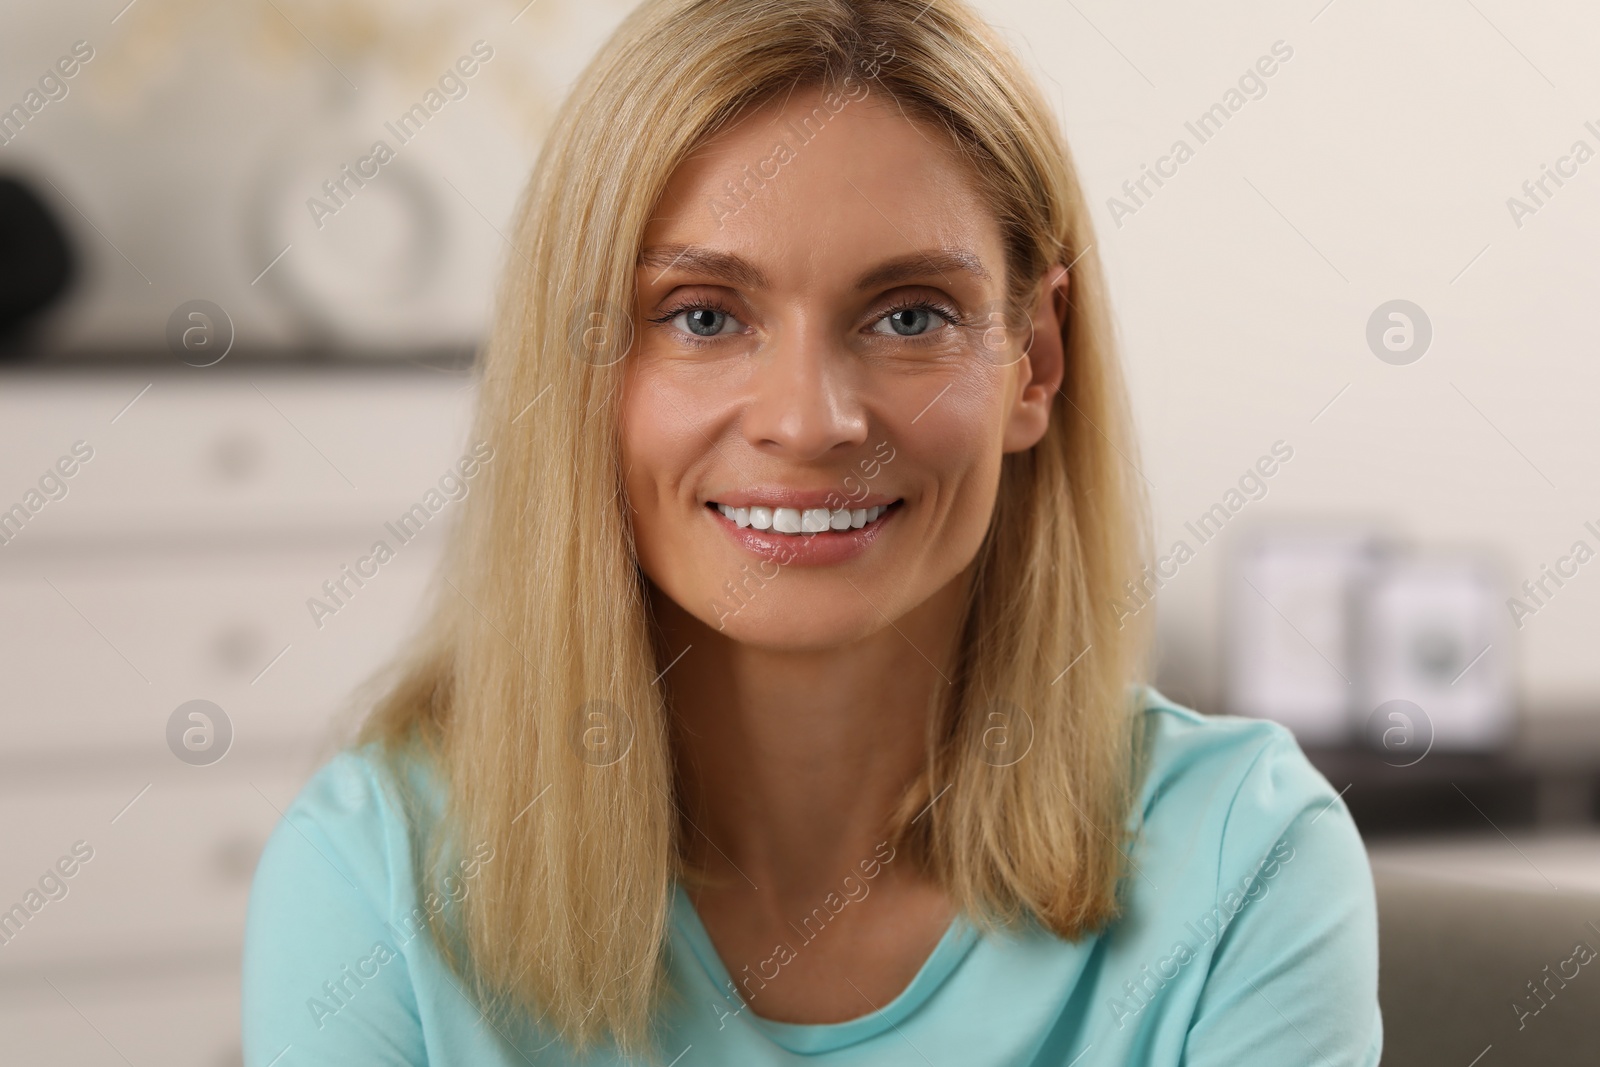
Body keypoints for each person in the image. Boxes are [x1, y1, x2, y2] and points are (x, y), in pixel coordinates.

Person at [242, 0, 1382, 1063]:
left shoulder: (1248, 856)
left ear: (1034, 360)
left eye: (909, 315)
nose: (809, 420)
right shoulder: (376, 875)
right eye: (701, 315)